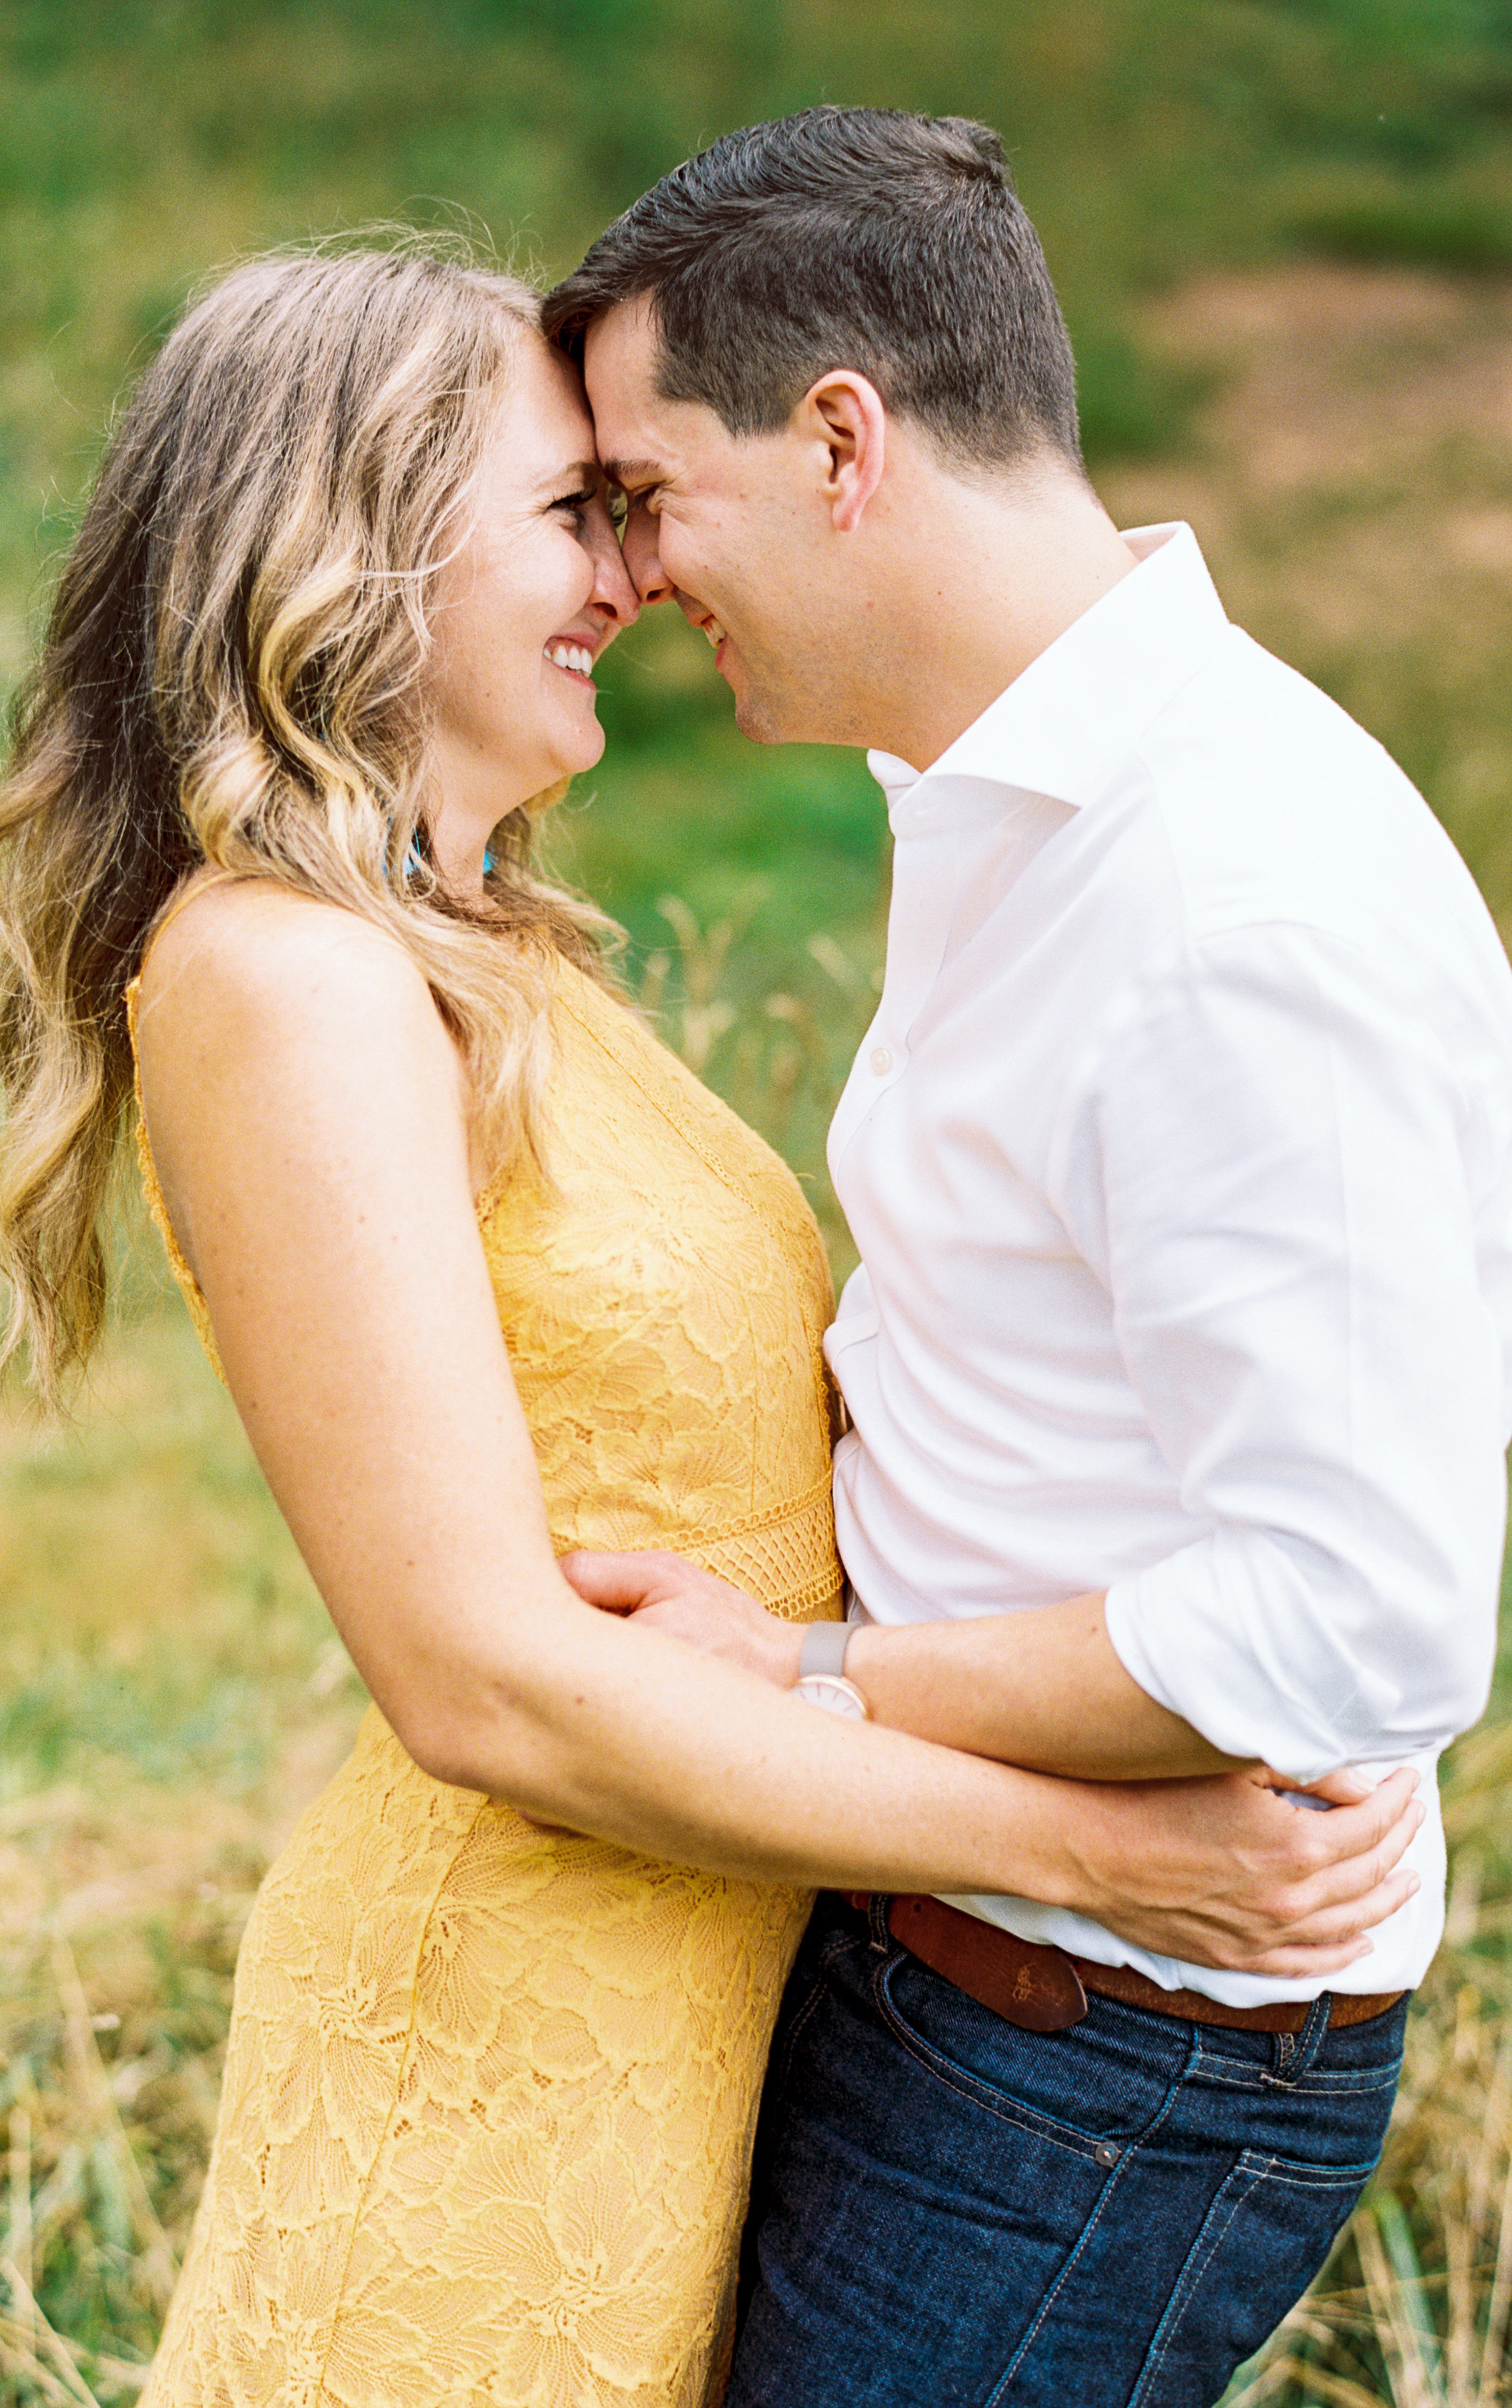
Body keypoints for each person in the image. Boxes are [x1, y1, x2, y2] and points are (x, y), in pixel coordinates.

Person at [0, 242, 1425, 2408]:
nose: (629, 575)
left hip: (691, 1992)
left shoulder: (478, 952)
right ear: (354, 544)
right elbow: (480, 1686)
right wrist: (1111, 1852)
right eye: (576, 510)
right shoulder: (284, 978)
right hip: (495, 2030)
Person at [543, 105, 1512, 2407]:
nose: (635, 570)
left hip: (1099, 2064)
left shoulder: (1232, 898)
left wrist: (809, 1678)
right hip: (950, 1946)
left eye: (651, 489)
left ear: (841, 440)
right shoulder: (999, 793)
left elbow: (1345, 1627)